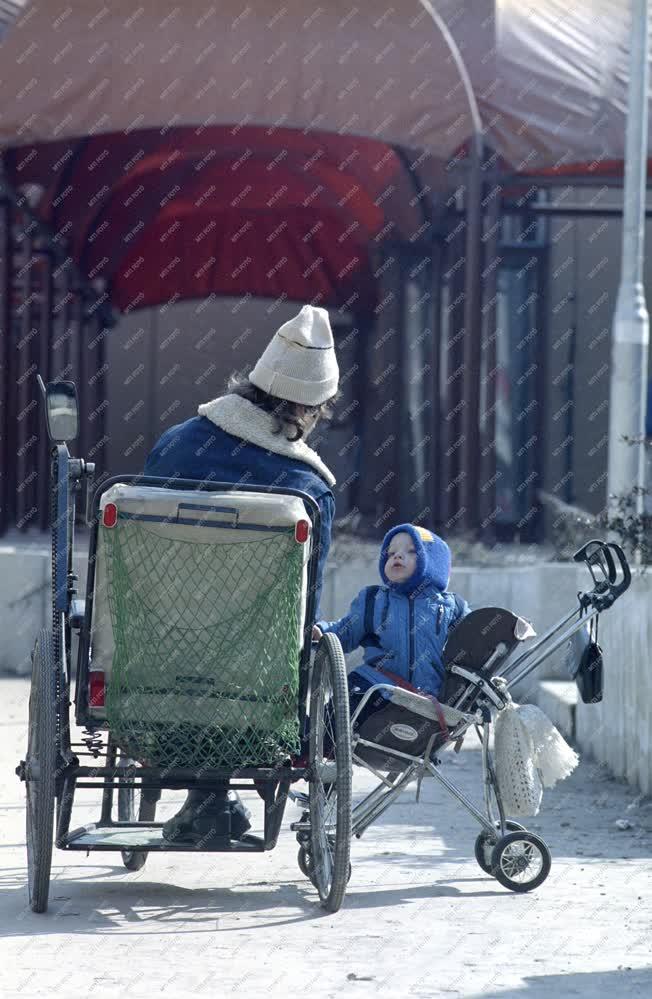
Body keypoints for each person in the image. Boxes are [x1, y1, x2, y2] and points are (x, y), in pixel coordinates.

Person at [143, 304, 340, 843]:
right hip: (254, 671)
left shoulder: (176, 444)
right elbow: (307, 601)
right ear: (306, 408)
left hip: (155, 647)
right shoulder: (308, 488)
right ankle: (216, 794)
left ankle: (203, 795)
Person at [313, 524, 471, 704]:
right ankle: (318, 729)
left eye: (411, 551)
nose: (397, 555)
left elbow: (475, 642)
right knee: (349, 694)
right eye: (390, 553)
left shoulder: (453, 607)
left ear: (434, 563)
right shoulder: (374, 600)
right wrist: (324, 631)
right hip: (379, 686)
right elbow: (347, 630)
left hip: (431, 697)